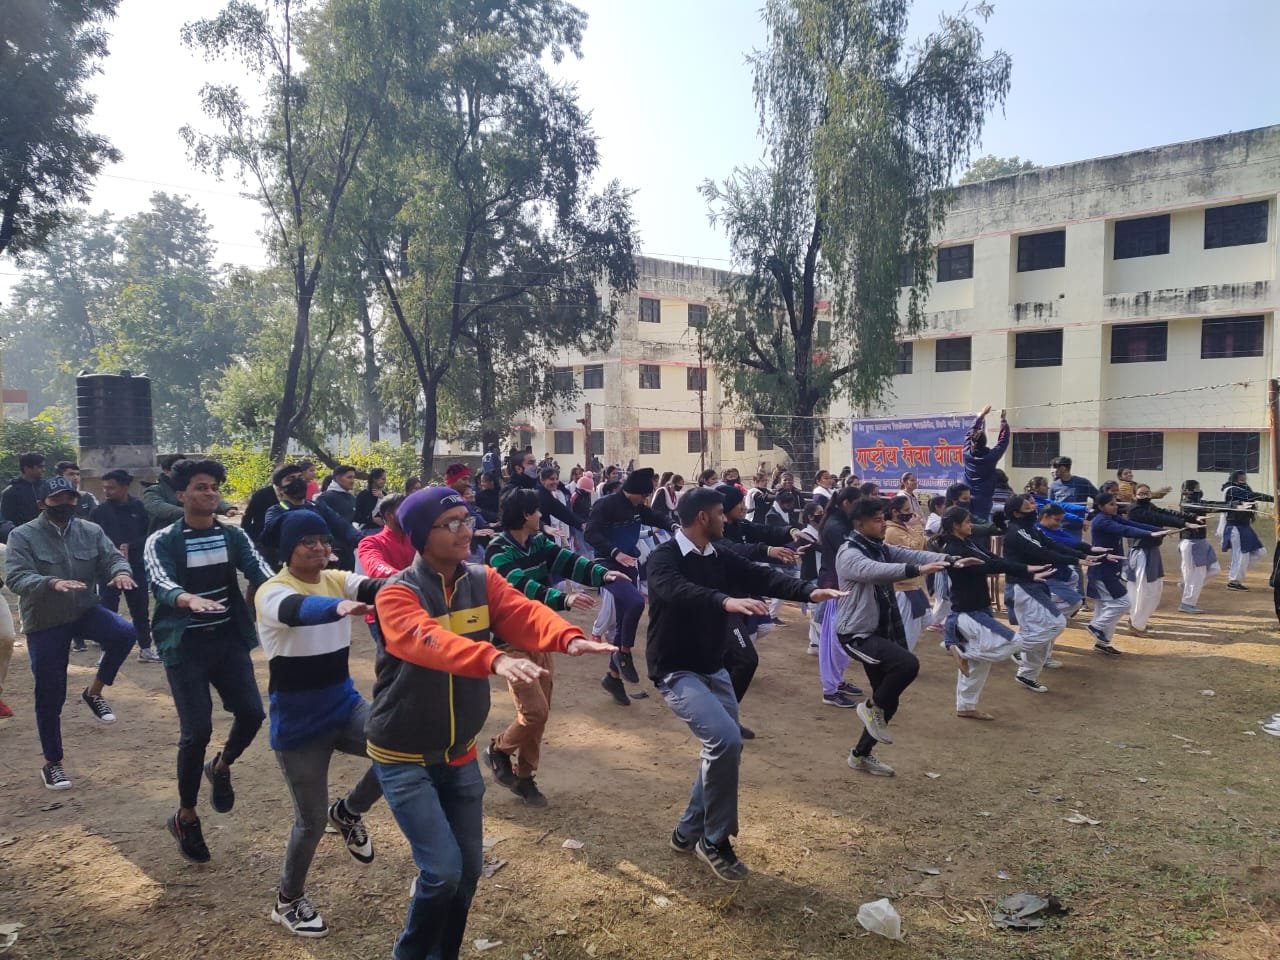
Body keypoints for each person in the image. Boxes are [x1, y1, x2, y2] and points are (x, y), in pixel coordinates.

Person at [367, 486, 614, 959]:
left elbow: (522, 611)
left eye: (466, 520)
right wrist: (494, 658)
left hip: (459, 752)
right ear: (421, 535)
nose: (466, 530)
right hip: (403, 753)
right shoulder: (398, 593)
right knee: (442, 872)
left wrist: (567, 637)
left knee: (468, 873)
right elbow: (427, 640)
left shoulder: (482, 579)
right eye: (451, 524)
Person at [646, 487, 843, 882]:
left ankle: (687, 831)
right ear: (703, 517)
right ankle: (714, 840)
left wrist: (809, 591)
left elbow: (761, 575)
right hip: (676, 670)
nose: (727, 518)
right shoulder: (663, 558)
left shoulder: (718, 554)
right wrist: (724, 601)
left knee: (725, 748)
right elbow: (677, 590)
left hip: (712, 666)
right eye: (721, 513)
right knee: (725, 740)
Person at [255, 510, 387, 938]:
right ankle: (287, 901)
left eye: (323, 540)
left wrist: (412, 581)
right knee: (310, 823)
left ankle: (348, 812)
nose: (319, 547)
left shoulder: (336, 578)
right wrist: (338, 607)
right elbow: (295, 610)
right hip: (298, 726)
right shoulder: (272, 591)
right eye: (307, 541)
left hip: (343, 707)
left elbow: (374, 585)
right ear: (287, 548)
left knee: (401, 746)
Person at [145, 458, 274, 863]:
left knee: (252, 713)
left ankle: (221, 765)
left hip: (227, 640)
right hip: (184, 646)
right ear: (181, 495)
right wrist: (186, 599)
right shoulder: (163, 540)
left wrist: (286, 593)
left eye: (215, 487)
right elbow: (160, 581)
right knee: (196, 731)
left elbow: (260, 570)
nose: (210, 493)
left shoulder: (231, 535)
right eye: (201, 487)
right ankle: (186, 815)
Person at [484, 488, 623, 805]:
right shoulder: (497, 550)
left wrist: (603, 575)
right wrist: (563, 599)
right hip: (510, 643)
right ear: (525, 515)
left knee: (541, 713)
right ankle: (498, 749)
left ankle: (524, 777)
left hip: (539, 638)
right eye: (536, 511)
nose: (540, 516)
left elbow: (569, 561)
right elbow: (521, 587)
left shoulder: (538, 543)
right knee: (534, 712)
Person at [6, 476, 137, 790]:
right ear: (42, 504)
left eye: (70, 498)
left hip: (83, 610)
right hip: (45, 621)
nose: (65, 504)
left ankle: (94, 692)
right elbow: (16, 577)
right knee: (50, 693)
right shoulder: (22, 535)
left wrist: (120, 572)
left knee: (124, 632)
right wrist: (51, 583)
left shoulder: (90, 531)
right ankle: (53, 764)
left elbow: (112, 558)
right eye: (57, 499)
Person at [833, 498, 966, 777]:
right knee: (907, 664)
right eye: (877, 520)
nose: (883, 524)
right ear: (859, 524)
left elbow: (914, 555)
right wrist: (917, 571)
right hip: (857, 634)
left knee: (889, 700)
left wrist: (950, 560)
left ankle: (860, 755)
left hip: (883, 629)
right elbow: (875, 572)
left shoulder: (879, 547)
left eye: (883, 518)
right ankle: (871, 708)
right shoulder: (849, 553)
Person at [932, 507, 1054, 721]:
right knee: (1015, 642)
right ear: (955, 526)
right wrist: (1025, 570)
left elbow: (994, 560)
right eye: (967, 522)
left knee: (981, 663)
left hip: (978, 608)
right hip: (968, 613)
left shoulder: (968, 542)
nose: (971, 525)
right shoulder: (954, 549)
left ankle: (966, 706)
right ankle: (962, 653)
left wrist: (1026, 571)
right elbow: (988, 567)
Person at [584, 467, 667, 705]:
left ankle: (613, 677)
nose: (645, 500)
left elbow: (657, 517)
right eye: (644, 495)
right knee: (636, 602)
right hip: (607, 565)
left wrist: (675, 526)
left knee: (623, 619)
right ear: (635, 491)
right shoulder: (606, 505)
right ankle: (624, 652)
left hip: (629, 564)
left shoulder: (637, 508)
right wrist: (615, 553)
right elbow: (590, 534)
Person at [1002, 494, 1098, 690]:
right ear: (1016, 512)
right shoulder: (1017, 532)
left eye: (1032, 502)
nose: (1033, 506)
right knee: (1056, 623)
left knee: (1039, 630)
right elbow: (1042, 553)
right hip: (1022, 587)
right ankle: (1016, 648)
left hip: (1035, 585)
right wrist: (1077, 560)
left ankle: (1027, 674)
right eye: (1027, 505)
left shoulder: (1031, 529)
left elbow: (1053, 545)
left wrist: (1083, 555)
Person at [1085, 493, 1173, 655]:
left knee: (1104, 608)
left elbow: (1131, 524)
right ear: (1101, 507)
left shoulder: (1112, 517)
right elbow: (1125, 530)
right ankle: (1096, 626)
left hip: (1110, 569)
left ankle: (1102, 642)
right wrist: (1150, 534)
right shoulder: (1102, 521)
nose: (1115, 507)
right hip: (1102, 571)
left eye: (1115, 504)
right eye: (1111, 504)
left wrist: (1159, 530)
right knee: (1123, 603)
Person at [91, 469, 160, 662]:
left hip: (136, 567)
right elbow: (92, 539)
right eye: (104, 488)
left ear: (125, 486)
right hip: (108, 569)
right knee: (107, 611)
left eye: (111, 488)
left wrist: (132, 546)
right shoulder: (99, 512)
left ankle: (145, 648)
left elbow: (150, 536)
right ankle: (107, 650)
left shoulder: (140, 508)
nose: (107, 491)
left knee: (140, 609)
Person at [1125, 485, 1203, 632]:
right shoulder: (1135, 510)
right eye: (1141, 494)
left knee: (1154, 588)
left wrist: (1192, 517)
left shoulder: (1149, 506)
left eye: (1147, 493)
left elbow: (1165, 512)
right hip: (1141, 551)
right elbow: (1158, 517)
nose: (1144, 496)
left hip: (1152, 550)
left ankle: (1138, 620)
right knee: (1142, 589)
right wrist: (1184, 523)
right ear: (1135, 495)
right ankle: (1136, 624)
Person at [815, 488, 864, 707]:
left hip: (843, 586)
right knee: (834, 641)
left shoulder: (842, 522)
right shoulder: (836, 526)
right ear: (846, 503)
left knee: (842, 638)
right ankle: (830, 690)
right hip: (836, 588)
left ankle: (838, 681)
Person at [263, 463, 362, 569]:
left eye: (300, 477)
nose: (298, 482)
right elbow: (271, 538)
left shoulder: (317, 506)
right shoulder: (276, 512)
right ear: (280, 489)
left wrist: (366, 542)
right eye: (291, 479)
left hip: (324, 567)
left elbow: (342, 527)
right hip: (295, 569)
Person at [144, 453, 238, 534]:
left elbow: (206, 497)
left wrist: (227, 508)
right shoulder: (154, 491)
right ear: (166, 471)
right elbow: (160, 507)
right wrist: (194, 514)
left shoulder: (191, 486)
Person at [883, 495, 931, 652]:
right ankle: (902, 658)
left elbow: (922, 545)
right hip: (902, 588)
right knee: (907, 631)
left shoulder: (903, 527)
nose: (910, 513)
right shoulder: (892, 531)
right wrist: (917, 527)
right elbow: (915, 549)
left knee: (926, 619)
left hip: (913, 585)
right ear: (894, 512)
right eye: (906, 510)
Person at [1221, 470, 1273, 590]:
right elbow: (1252, 496)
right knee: (1241, 554)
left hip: (1244, 526)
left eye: (1245, 478)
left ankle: (1235, 567)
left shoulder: (1244, 489)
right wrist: (1274, 498)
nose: (1244, 481)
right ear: (1234, 479)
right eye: (1241, 479)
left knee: (1260, 552)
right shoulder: (1232, 490)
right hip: (1235, 526)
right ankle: (1234, 581)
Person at [1177, 480, 1219, 613]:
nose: (1199, 491)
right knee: (1196, 574)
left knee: (1214, 569)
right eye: (1196, 488)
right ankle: (1187, 603)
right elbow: (1207, 507)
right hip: (1191, 543)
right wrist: (1230, 507)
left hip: (1201, 541)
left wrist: (1235, 505)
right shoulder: (1188, 504)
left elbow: (1211, 504)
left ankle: (1186, 585)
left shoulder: (1198, 502)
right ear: (1188, 491)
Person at [962, 405, 1009, 521]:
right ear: (985, 442)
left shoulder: (967, 453)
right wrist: (1003, 422)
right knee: (981, 525)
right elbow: (1003, 442)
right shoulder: (991, 457)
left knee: (965, 523)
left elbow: (969, 434)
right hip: (983, 499)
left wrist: (981, 415)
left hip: (965, 497)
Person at [356, 494, 415, 581]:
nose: (409, 514)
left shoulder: (416, 538)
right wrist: (408, 580)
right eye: (404, 510)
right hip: (393, 588)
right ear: (389, 515)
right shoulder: (370, 543)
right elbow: (376, 568)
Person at [1, 452, 46, 531]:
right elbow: (6, 520)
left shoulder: (47, 487)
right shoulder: (11, 492)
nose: (44, 470)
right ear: (26, 468)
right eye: (40, 467)